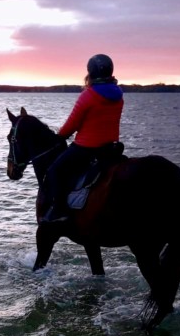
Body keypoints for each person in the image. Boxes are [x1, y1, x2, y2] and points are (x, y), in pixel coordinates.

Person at [40, 53, 124, 224]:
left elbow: (72, 125)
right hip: (110, 148)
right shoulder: (118, 95)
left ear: (90, 72)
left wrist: (60, 135)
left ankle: (59, 210)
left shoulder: (88, 95)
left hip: (86, 148)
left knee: (54, 170)